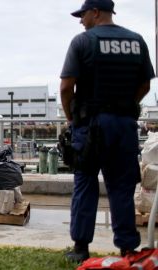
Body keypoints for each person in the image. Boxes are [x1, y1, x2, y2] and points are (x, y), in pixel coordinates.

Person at [60, 0, 155, 263]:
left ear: (96, 12)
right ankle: (127, 249)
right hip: (124, 126)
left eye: (83, 15)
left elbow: (67, 87)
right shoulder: (136, 40)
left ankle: (81, 248)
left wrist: (71, 118)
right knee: (122, 187)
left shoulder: (82, 42)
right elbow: (145, 84)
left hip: (90, 126)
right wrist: (126, 106)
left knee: (85, 183)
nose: (81, 21)